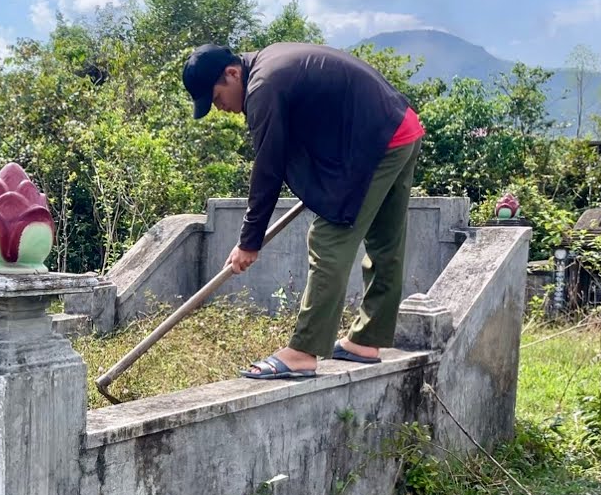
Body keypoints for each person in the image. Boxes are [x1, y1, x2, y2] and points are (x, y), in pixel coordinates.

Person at [182, 42, 425, 379]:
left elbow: (268, 166)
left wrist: (249, 241)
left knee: (328, 238)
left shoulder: (262, 87)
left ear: (232, 73)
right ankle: (366, 341)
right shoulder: (271, 65)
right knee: (385, 242)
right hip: (400, 127)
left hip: (377, 142)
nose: (220, 108)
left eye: (217, 98)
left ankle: (302, 351)